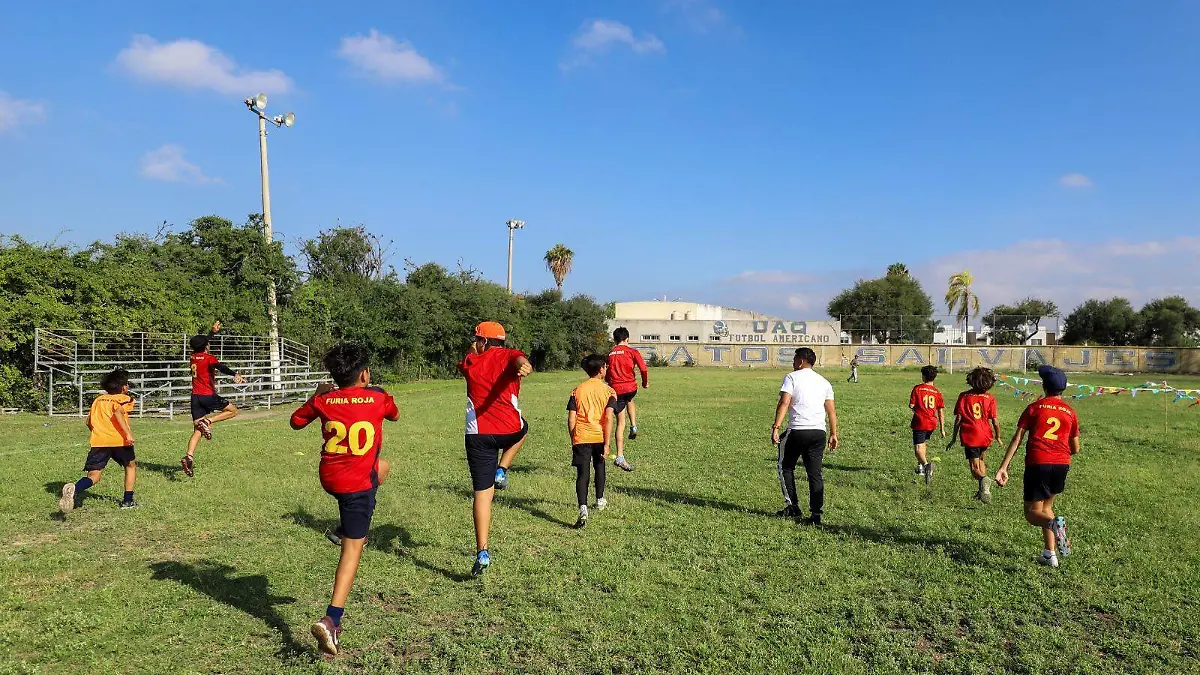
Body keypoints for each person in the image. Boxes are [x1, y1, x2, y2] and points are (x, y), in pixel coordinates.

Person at [290, 343, 400, 655]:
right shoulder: (377, 396)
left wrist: (317, 395)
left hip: (330, 478)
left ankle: (343, 528)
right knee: (354, 549)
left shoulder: (324, 399)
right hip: (354, 485)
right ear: (364, 373)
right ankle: (332, 620)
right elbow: (394, 415)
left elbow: (295, 422)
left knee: (382, 468)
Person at [459, 321, 533, 576]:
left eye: (476, 339)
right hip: (509, 430)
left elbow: (468, 359)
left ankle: (482, 551)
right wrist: (523, 365)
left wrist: (474, 350)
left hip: (478, 436)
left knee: (482, 494)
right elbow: (518, 359)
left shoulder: (470, 361)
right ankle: (502, 469)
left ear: (483, 341)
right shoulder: (510, 355)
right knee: (524, 428)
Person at [995, 365, 1080, 568]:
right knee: (1047, 508)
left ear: (1044, 386)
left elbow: (1017, 439)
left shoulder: (1034, 408)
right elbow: (1076, 448)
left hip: (1038, 463)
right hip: (1061, 465)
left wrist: (1004, 467)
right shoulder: (1070, 412)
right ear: (1064, 388)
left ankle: (1053, 525)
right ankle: (1050, 554)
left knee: (1032, 513)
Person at [771, 347, 839, 525]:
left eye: (795, 359)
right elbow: (831, 411)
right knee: (815, 473)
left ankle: (792, 506)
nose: (793, 362)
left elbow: (784, 402)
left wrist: (776, 427)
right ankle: (816, 515)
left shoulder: (792, 377)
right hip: (819, 432)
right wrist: (833, 433)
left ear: (801, 361)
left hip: (798, 431)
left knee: (785, 466)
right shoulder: (824, 382)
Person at [59, 368, 138, 513]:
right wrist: (128, 434)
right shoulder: (124, 399)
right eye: (127, 384)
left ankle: (75, 489)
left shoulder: (98, 400)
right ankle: (128, 500)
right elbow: (118, 412)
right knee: (130, 466)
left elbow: (89, 422)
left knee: (93, 476)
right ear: (124, 387)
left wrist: (100, 433)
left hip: (99, 441)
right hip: (119, 441)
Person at [183, 321, 246, 477]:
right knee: (233, 411)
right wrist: (235, 374)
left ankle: (189, 457)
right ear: (206, 346)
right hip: (208, 395)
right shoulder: (209, 358)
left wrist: (212, 333)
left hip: (195, 397)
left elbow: (202, 343)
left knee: (198, 430)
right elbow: (221, 367)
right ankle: (208, 422)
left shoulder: (193, 357)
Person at [567, 354, 616, 529]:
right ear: (601, 369)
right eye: (605, 366)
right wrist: (607, 443)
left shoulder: (577, 390)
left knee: (582, 474)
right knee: (599, 466)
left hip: (581, 436)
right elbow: (608, 417)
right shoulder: (609, 391)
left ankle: (583, 508)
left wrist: (574, 437)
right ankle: (600, 500)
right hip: (599, 436)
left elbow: (571, 418)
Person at [947, 367, 1001, 502]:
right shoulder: (990, 397)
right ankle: (983, 490)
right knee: (981, 460)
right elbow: (995, 421)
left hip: (971, 435)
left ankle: (983, 479)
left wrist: (953, 437)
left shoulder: (964, 396)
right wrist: (998, 437)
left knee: (974, 467)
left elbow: (958, 419)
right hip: (986, 435)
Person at [605, 327, 648, 472]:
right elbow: (643, 368)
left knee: (620, 422)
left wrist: (609, 382)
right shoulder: (632, 351)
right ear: (627, 339)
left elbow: (606, 373)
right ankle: (634, 426)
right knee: (630, 398)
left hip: (616, 390)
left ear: (614, 340)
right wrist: (645, 382)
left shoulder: (610, 354)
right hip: (630, 388)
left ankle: (620, 456)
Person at [909, 365, 945, 485]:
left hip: (920, 421)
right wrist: (942, 429)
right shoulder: (937, 392)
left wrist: (917, 411)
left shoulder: (917, 389)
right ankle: (920, 468)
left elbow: (912, 405)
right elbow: (940, 411)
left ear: (923, 376)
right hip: (932, 423)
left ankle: (926, 466)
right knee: (923, 443)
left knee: (918, 449)